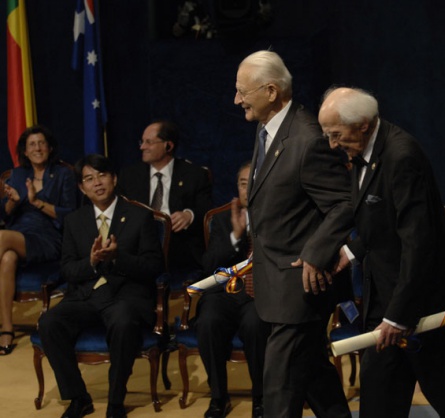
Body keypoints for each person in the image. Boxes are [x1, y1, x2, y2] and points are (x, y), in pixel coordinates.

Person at [319, 87, 445, 418]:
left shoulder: (402, 157)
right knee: (379, 398)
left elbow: (418, 243)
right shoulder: (360, 152)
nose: (332, 144)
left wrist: (398, 316)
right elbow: (378, 222)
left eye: (336, 134)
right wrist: (350, 253)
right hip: (387, 303)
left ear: (363, 124)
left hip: (423, 306)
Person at [234, 50, 353, 418]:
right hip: (275, 284)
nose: (236, 100)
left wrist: (317, 252)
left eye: (242, 91)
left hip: (299, 287)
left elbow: (345, 203)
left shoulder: (308, 138)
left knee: (279, 392)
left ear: (271, 91)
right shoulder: (266, 126)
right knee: (317, 379)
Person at [38, 154, 164, 418]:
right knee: (50, 322)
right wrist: (92, 262)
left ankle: (116, 400)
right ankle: (78, 397)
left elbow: (154, 266)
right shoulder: (74, 220)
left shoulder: (140, 216)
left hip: (126, 296)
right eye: (89, 178)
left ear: (114, 179)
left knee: (123, 320)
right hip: (85, 296)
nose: (97, 183)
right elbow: (68, 269)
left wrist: (118, 257)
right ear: (82, 188)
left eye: (102, 175)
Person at [195, 161, 270, 418]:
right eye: (242, 183)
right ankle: (218, 397)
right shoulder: (221, 218)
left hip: (260, 293)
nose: (247, 188)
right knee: (208, 321)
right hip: (225, 293)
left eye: (253, 181)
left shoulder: (276, 215)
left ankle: (260, 397)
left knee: (255, 324)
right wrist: (236, 237)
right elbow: (209, 265)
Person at [0, 125, 76, 355]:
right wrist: (12, 201)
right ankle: (7, 328)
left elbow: (70, 214)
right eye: (31, 144)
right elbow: (4, 215)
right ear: (24, 150)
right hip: (19, 234)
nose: (37, 148)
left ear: (50, 147)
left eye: (41, 143)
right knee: (7, 259)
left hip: (48, 236)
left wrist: (36, 203)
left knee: (1, 238)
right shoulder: (18, 175)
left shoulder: (64, 174)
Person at [117, 120, 213, 271]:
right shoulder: (129, 176)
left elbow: (207, 210)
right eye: (142, 142)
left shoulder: (194, 174)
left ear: (168, 145)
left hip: (180, 246)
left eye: (149, 142)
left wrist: (189, 215)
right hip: (139, 248)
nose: (142, 147)